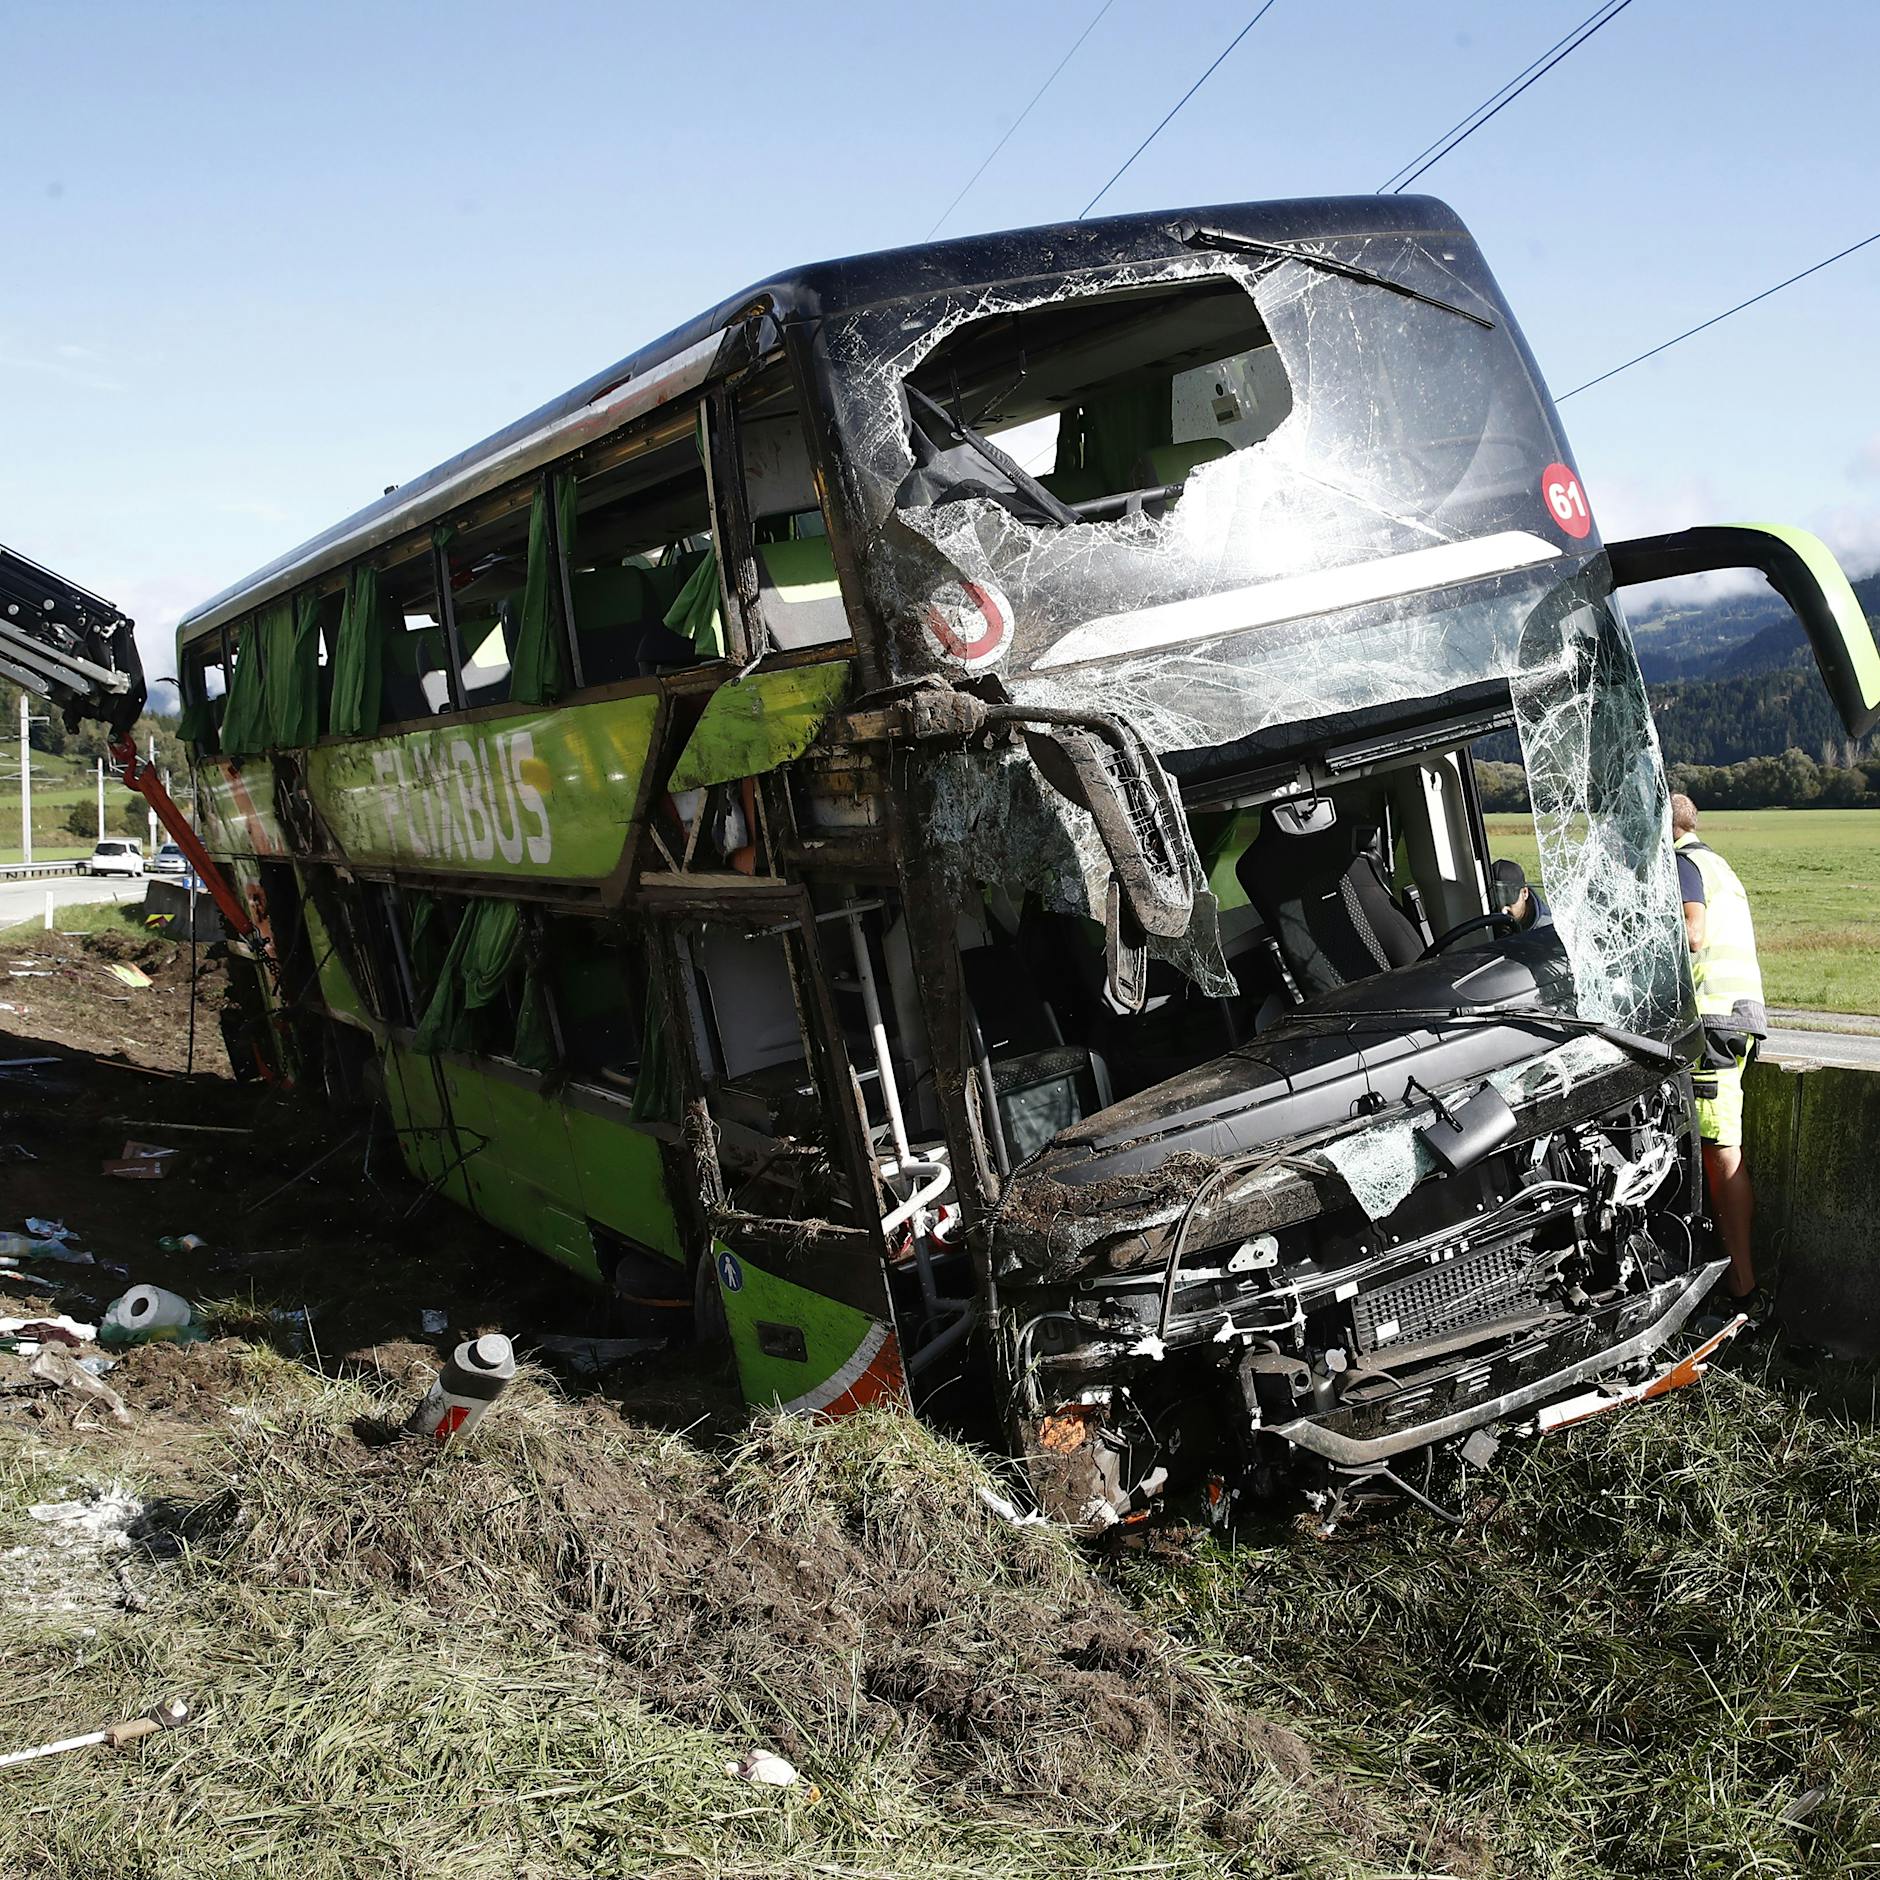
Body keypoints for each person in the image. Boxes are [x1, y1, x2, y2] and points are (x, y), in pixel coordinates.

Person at [1671, 792, 1768, 1315]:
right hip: (1736, 1016)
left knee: (1719, 1151)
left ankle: (1743, 1291)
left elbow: (1692, 932)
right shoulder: (1718, 863)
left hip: (1711, 1021)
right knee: (1717, 1146)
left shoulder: (1682, 864)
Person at [1488, 857, 1551, 930]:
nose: (1503, 911)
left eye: (1509, 903)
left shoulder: (1547, 930)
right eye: (1497, 904)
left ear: (1525, 893)